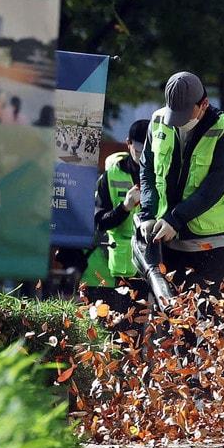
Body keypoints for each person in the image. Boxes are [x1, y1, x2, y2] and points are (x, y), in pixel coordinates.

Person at [138, 72, 224, 299]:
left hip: (213, 243)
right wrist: (148, 213)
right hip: (170, 243)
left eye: (185, 115)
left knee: (211, 319)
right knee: (175, 321)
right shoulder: (157, 121)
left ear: (203, 104)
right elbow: (147, 171)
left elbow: (214, 186)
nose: (179, 121)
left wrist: (176, 219)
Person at [84, 119, 151, 322]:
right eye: (139, 150)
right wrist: (125, 206)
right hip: (118, 266)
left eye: (149, 149)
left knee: (144, 333)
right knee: (116, 329)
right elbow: (100, 221)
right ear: (128, 143)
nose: (144, 156)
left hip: (152, 264)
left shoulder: (161, 174)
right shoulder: (111, 175)